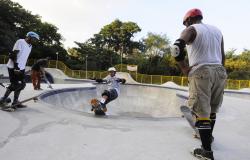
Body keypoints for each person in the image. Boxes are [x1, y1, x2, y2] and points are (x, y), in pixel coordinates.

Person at [171, 9, 227, 160]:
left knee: (202, 113)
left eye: (184, 23)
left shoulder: (191, 29)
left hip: (201, 71)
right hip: (220, 71)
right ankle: (208, 137)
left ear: (189, 20)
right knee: (212, 110)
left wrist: (184, 68)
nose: (184, 27)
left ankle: (206, 152)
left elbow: (176, 48)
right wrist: (219, 70)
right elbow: (223, 56)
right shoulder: (217, 31)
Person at [0, 31, 40, 108]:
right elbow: (13, 55)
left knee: (22, 85)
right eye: (34, 39)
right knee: (15, 85)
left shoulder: (30, 46)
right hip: (13, 67)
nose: (35, 41)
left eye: (36, 40)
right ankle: (2, 100)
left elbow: (23, 58)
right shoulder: (20, 42)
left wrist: (23, 68)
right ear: (29, 37)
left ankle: (15, 102)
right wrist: (16, 67)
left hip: (21, 68)